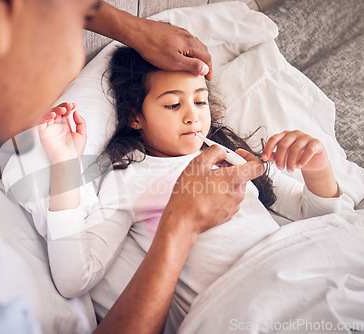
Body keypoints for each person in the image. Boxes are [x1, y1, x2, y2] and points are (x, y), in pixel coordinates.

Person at [0, 1, 245, 333]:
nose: (78, 64)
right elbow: (75, 273)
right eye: (74, 26)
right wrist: (180, 225)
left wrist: (135, 30)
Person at [38, 46, 355, 332]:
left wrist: (318, 169)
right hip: (246, 301)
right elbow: (74, 278)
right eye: (173, 105)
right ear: (136, 117)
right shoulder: (130, 179)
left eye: (200, 100)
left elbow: (315, 218)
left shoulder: (229, 155)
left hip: (298, 266)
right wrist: (64, 166)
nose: (193, 116)